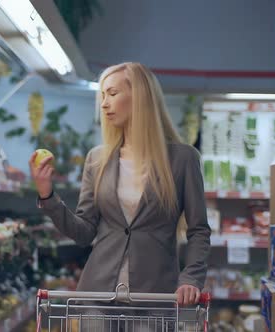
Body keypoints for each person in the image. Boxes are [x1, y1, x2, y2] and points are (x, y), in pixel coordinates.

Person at [29, 62, 211, 311]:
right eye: (103, 96)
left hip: (155, 298)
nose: (104, 104)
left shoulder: (183, 159)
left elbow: (198, 230)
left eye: (113, 94)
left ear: (140, 97)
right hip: (97, 296)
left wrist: (191, 278)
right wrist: (47, 195)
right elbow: (84, 233)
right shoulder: (97, 159)